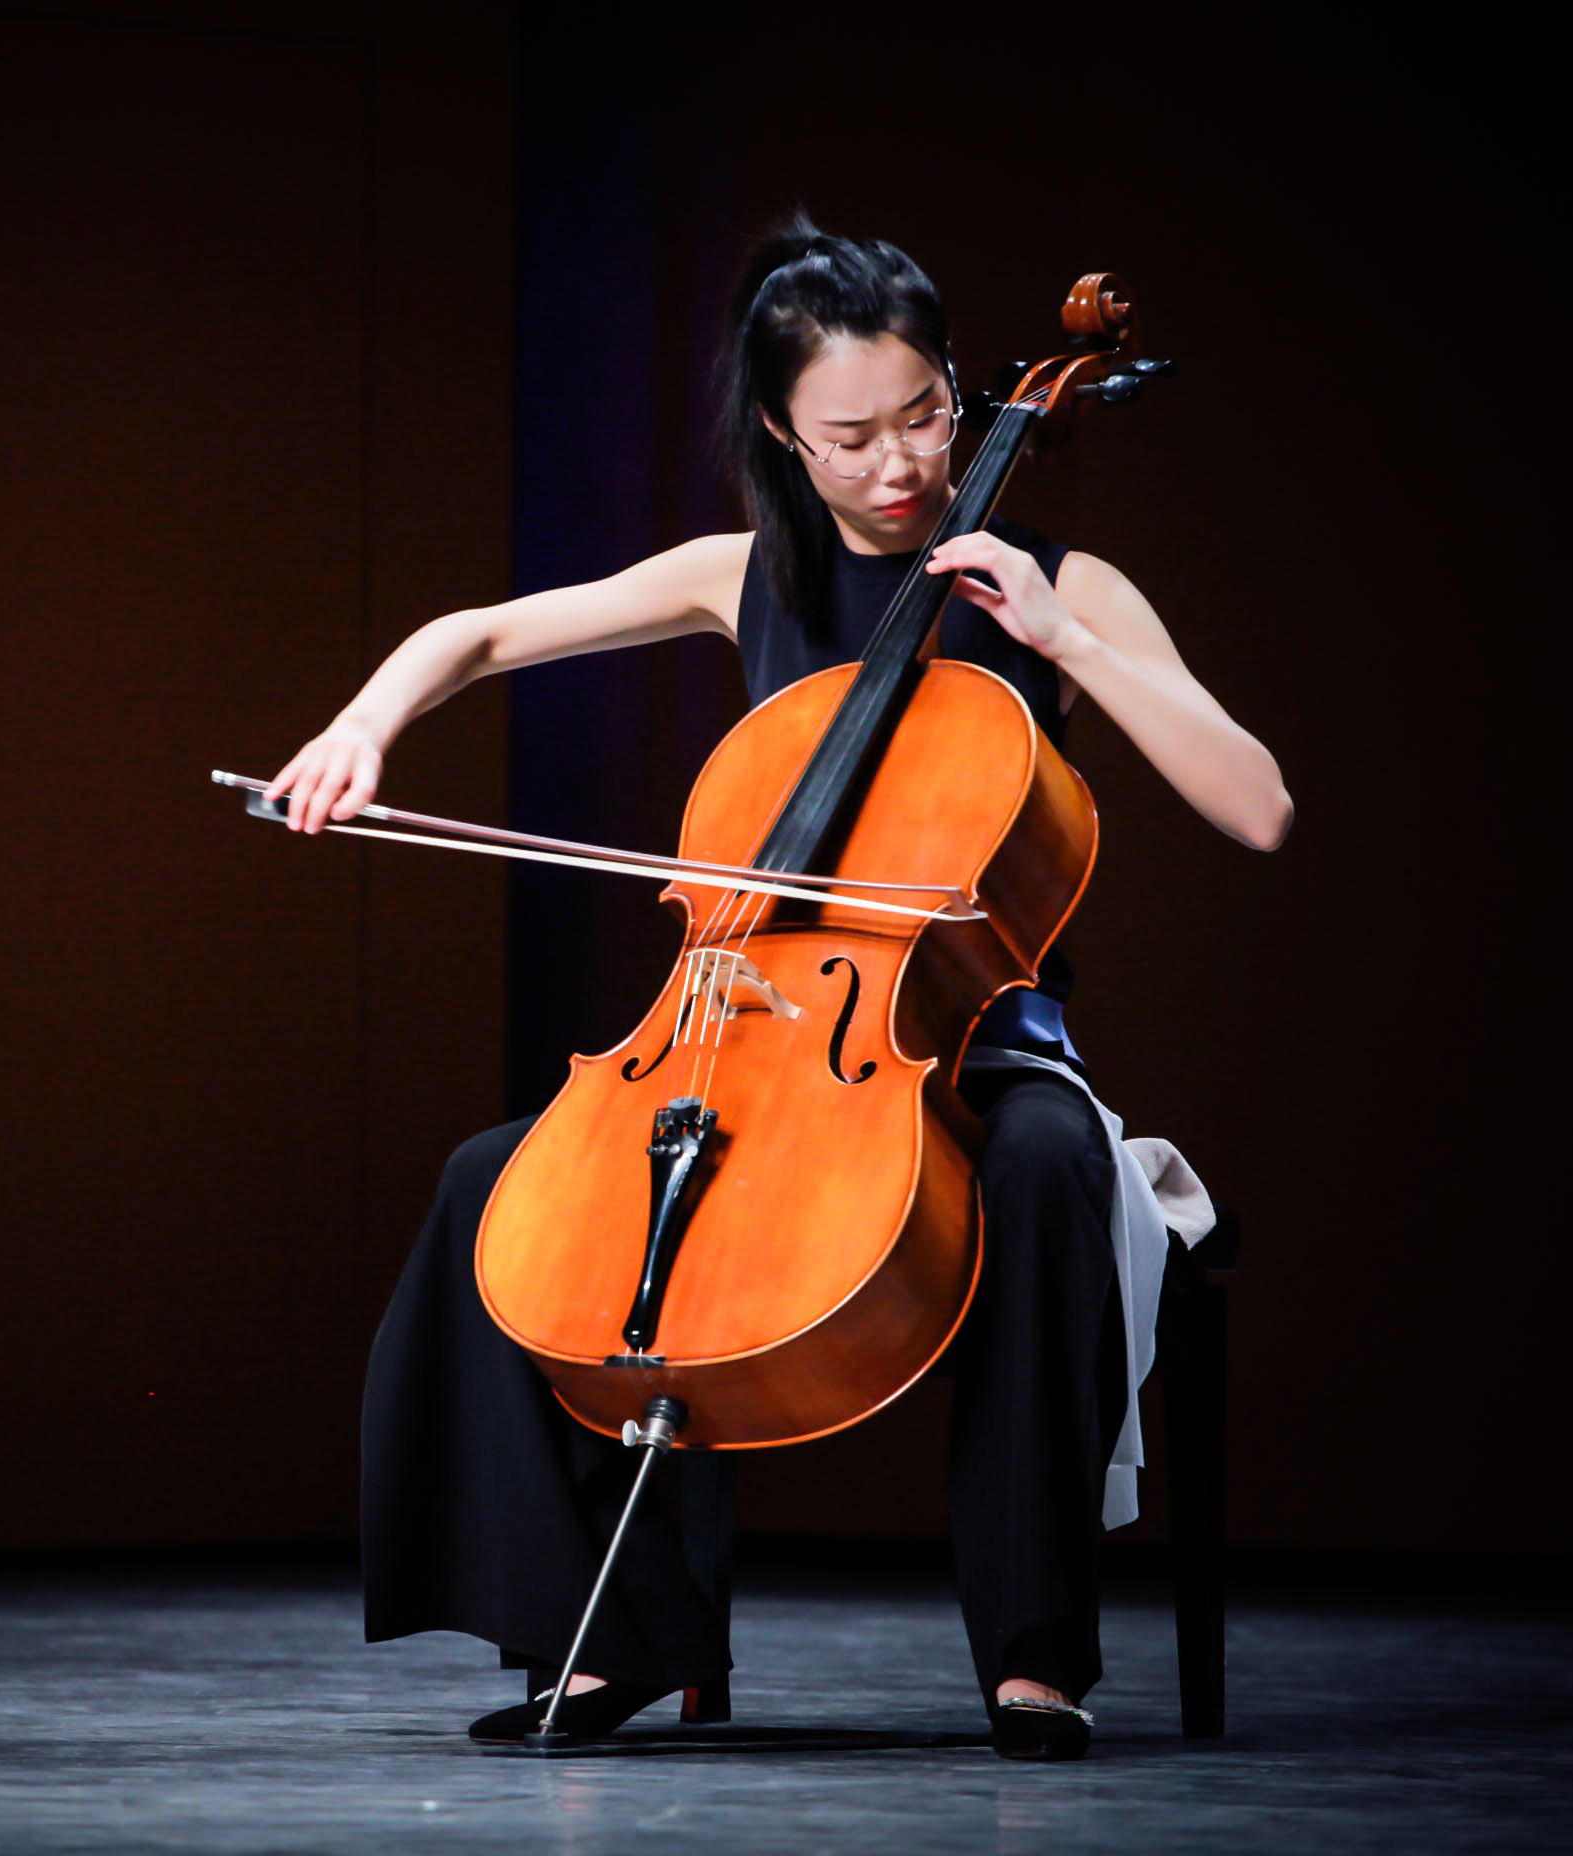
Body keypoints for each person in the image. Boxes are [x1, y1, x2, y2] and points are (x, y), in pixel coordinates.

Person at [263, 218, 1291, 1759]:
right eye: (852, 435)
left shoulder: (1059, 584)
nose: (902, 467)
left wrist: (1062, 632)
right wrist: (364, 725)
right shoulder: (737, 574)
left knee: (1048, 1160)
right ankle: (609, 1640)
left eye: (930, 415)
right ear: (778, 431)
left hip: (976, 1048)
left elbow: (1259, 804)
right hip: (744, 1037)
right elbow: (476, 634)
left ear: (964, 391)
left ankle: (1033, 1651)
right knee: (498, 1189)